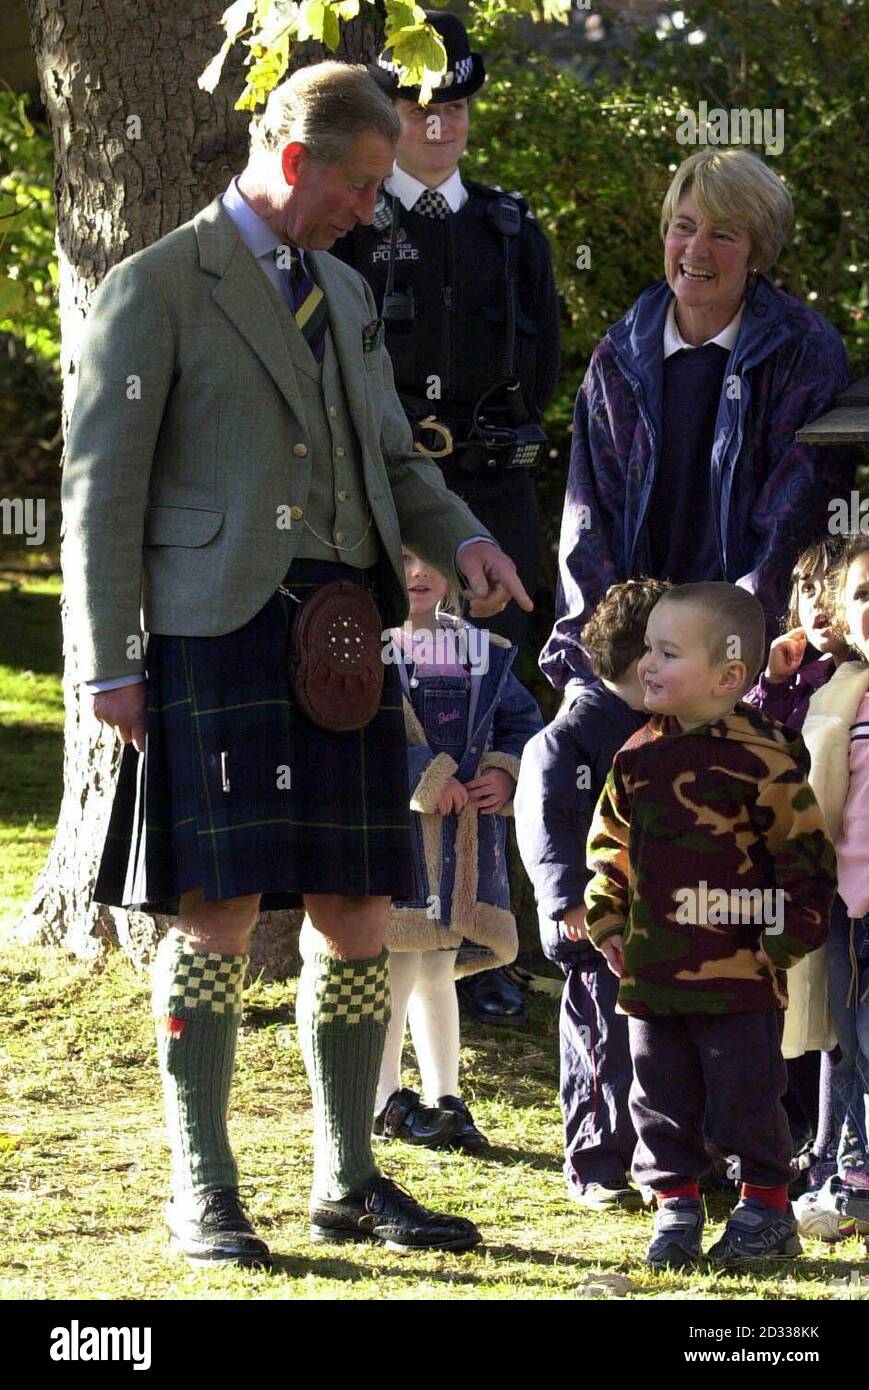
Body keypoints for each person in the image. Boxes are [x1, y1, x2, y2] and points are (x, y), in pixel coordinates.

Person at [61, 61, 533, 1268]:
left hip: (338, 634)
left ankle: (347, 1175)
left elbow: (392, 461)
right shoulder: (155, 286)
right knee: (215, 912)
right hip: (212, 631)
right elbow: (98, 495)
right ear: (292, 163)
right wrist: (108, 663)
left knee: (359, 907)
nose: (372, 213)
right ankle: (203, 1190)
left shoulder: (341, 288)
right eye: (361, 186)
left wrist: (463, 537)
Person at [336, 11, 560, 1024]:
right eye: (419, 106)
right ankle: (382, 928)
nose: (438, 127)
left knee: (486, 717)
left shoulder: (510, 229)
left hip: (492, 495)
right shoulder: (346, 227)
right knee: (389, 709)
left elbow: (543, 367)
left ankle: (485, 938)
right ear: (390, 110)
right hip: (384, 502)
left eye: (454, 106)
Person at [584, 582, 837, 1269]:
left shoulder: (766, 758)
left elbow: (804, 860)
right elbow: (608, 847)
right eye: (646, 652)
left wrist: (780, 942)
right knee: (658, 1097)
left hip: (738, 974)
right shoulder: (634, 756)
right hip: (651, 972)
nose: (647, 665)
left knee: (746, 1097)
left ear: (728, 676)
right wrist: (607, 920)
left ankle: (764, 1209)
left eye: (668, 653)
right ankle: (675, 1209)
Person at [541, 147, 854, 699]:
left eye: (724, 235)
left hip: (748, 662)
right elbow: (587, 520)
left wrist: (721, 652)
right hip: (635, 658)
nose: (696, 250)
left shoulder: (803, 352)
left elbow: (788, 525)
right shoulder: (619, 356)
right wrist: (595, 663)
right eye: (683, 228)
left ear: (758, 251)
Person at [354, 547, 543, 1152]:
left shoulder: (480, 652)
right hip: (401, 834)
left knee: (438, 966)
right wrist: (426, 778)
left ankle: (445, 1097)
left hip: (465, 840)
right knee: (395, 967)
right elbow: (361, 731)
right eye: (404, 559)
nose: (418, 574)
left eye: (432, 559)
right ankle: (384, 1100)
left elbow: (521, 721)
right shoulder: (368, 648)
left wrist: (504, 773)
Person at [515, 578, 669, 1209]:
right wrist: (569, 904)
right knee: (604, 1043)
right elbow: (546, 825)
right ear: (640, 662)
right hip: (597, 929)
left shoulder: (669, 730)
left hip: (663, 922)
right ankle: (597, 1162)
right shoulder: (567, 739)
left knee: (663, 1049)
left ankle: (663, 1155)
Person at [744, 537, 851, 1191]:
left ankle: (829, 1146)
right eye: (804, 590)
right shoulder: (783, 678)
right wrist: (771, 682)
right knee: (784, 1009)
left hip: (837, 870)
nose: (814, 605)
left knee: (833, 1019)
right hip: (775, 872)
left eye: (829, 590)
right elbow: (749, 750)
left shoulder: (847, 682)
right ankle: (783, 1140)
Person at [794, 535, 869, 1234]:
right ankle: (850, 1179)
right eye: (865, 594)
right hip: (849, 904)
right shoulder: (838, 694)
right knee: (848, 1045)